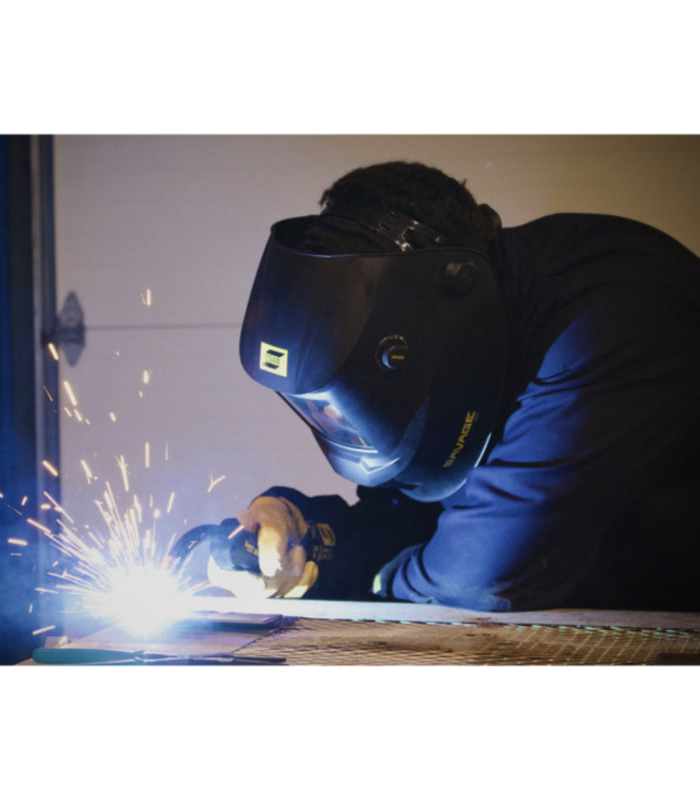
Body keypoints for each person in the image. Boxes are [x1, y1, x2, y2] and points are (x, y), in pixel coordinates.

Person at [207, 161, 700, 612]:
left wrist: (372, 584)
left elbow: (482, 576)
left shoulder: (608, 312)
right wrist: (305, 528)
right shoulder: (451, 363)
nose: (338, 423)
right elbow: (404, 516)